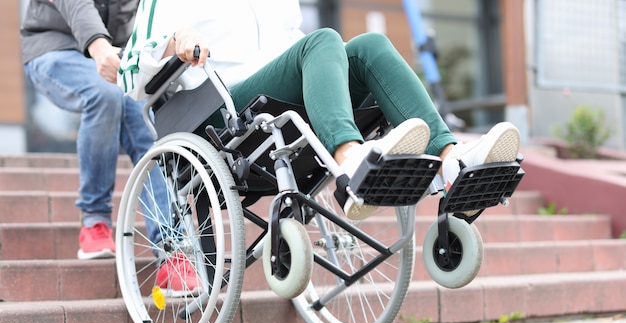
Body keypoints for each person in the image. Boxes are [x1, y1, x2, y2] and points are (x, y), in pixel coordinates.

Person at [118, 0, 521, 221]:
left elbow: (298, 45)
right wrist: (174, 43)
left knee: (369, 47)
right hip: (217, 113)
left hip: (279, 104)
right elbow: (127, 71)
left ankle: (450, 163)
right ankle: (350, 164)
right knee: (323, 39)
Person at [21, 0, 199, 293]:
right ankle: (94, 221)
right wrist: (97, 45)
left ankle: (172, 252)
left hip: (116, 53)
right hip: (53, 48)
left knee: (146, 123)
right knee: (104, 94)